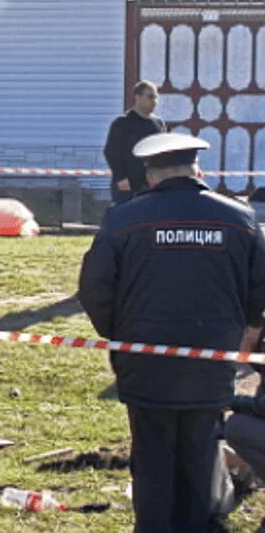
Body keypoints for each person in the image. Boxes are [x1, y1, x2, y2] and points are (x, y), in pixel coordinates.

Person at [79, 133, 265, 532]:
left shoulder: (123, 219)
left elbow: (94, 289)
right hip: (211, 365)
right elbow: (259, 292)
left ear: (150, 175)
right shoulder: (241, 220)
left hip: (145, 363)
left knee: (152, 459)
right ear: (198, 171)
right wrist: (243, 333)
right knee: (200, 454)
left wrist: (120, 334)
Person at [103, 80, 167, 203]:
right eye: (150, 97)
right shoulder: (122, 123)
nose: (154, 102)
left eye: (156, 98)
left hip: (152, 185)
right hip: (128, 185)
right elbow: (111, 153)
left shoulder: (158, 124)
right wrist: (121, 177)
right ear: (138, 97)